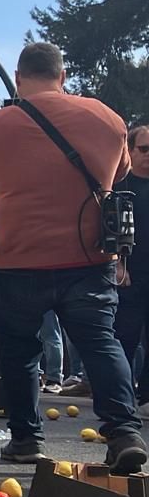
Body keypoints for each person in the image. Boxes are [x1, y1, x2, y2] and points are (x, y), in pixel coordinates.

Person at [0, 41, 145, 473]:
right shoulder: (106, 118)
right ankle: (123, 430)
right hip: (87, 257)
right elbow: (117, 172)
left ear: (18, 77)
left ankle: (26, 438)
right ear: (63, 75)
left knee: (19, 349)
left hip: (17, 257)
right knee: (102, 342)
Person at [115, 124, 149, 407]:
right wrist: (116, 265)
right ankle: (121, 399)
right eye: (144, 149)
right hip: (129, 275)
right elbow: (108, 231)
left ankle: (147, 396)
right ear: (130, 150)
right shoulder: (120, 187)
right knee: (124, 339)